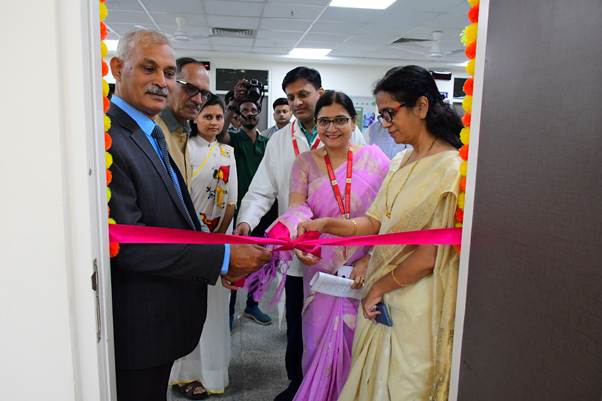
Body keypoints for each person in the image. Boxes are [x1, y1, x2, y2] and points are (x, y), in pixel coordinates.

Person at [107, 29, 271, 401]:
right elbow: (128, 244)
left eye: (168, 73)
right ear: (117, 68)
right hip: (139, 323)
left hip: (164, 313)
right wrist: (223, 257)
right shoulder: (111, 139)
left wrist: (221, 255)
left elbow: (175, 220)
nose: (161, 82)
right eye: (148, 68)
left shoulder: (149, 132)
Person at [298, 65, 463, 401]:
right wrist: (326, 225)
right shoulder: (401, 161)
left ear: (421, 106)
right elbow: (373, 223)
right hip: (382, 295)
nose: (385, 124)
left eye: (390, 113)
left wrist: (378, 287)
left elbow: (429, 255)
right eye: (381, 115)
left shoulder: (451, 168)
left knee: (404, 386)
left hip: (415, 302)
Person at [234, 67, 367, 401]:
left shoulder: (351, 136)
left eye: (303, 94)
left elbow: (366, 190)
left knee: (343, 324)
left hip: (343, 253)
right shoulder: (280, 141)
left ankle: (339, 386)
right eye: (290, 97)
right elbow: (262, 190)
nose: (296, 103)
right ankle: (299, 384)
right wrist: (246, 223)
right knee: (298, 323)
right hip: (299, 254)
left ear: (319, 93)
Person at [272, 91, 389, 401]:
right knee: (315, 343)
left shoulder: (376, 160)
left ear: (354, 121)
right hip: (321, 269)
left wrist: (371, 257)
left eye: (340, 120)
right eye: (324, 121)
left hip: (365, 270)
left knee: (360, 346)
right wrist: (299, 240)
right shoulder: (304, 162)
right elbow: (298, 207)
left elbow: (389, 216)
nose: (331, 128)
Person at [169, 94, 237, 399]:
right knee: (187, 307)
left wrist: (217, 238)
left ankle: (212, 372)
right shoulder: (183, 148)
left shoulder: (227, 152)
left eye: (218, 117)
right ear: (195, 118)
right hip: (187, 238)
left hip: (217, 239)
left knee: (215, 308)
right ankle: (185, 374)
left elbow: (232, 201)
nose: (214, 122)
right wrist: (197, 237)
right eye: (207, 116)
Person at [221, 99, 275, 327]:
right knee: (236, 261)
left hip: (267, 213)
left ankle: (253, 305)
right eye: (245, 111)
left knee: (261, 261)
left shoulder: (267, 143)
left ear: (259, 112)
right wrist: (231, 107)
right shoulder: (233, 139)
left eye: (253, 110)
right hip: (240, 214)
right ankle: (230, 311)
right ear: (239, 115)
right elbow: (219, 135)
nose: (250, 114)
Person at [155, 57, 210, 187]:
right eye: (190, 88)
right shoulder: (154, 132)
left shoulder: (183, 131)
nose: (198, 100)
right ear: (169, 83)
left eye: (204, 93)